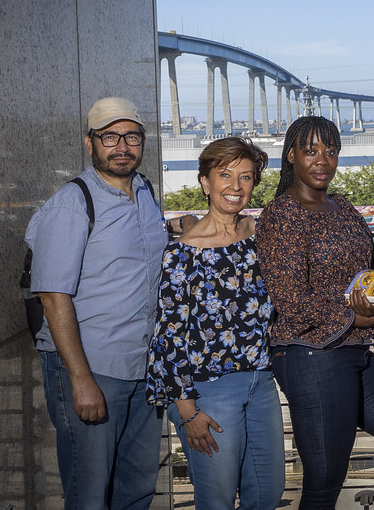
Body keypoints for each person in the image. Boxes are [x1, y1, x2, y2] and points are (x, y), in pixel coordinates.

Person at [255, 116, 374, 510]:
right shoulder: (282, 214)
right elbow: (290, 301)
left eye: (331, 151)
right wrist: (355, 317)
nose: (322, 160)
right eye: (311, 151)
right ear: (291, 155)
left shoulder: (342, 206)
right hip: (312, 356)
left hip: (355, 352)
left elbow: (361, 272)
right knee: (325, 483)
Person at [25, 97, 167, 509]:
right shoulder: (72, 202)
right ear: (90, 144)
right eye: (110, 137)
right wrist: (81, 381)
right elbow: (52, 295)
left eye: (131, 136)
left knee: (136, 489)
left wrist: (181, 226)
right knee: (89, 495)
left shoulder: (144, 191)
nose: (121, 146)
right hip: (92, 368)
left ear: (143, 142)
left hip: (142, 368)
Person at [146, 136, 284, 509]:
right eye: (224, 175)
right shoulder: (182, 254)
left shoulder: (260, 236)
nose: (235, 187)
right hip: (210, 390)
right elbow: (169, 336)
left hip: (262, 381)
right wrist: (187, 410)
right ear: (205, 182)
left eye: (246, 177)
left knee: (267, 494)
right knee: (217, 499)